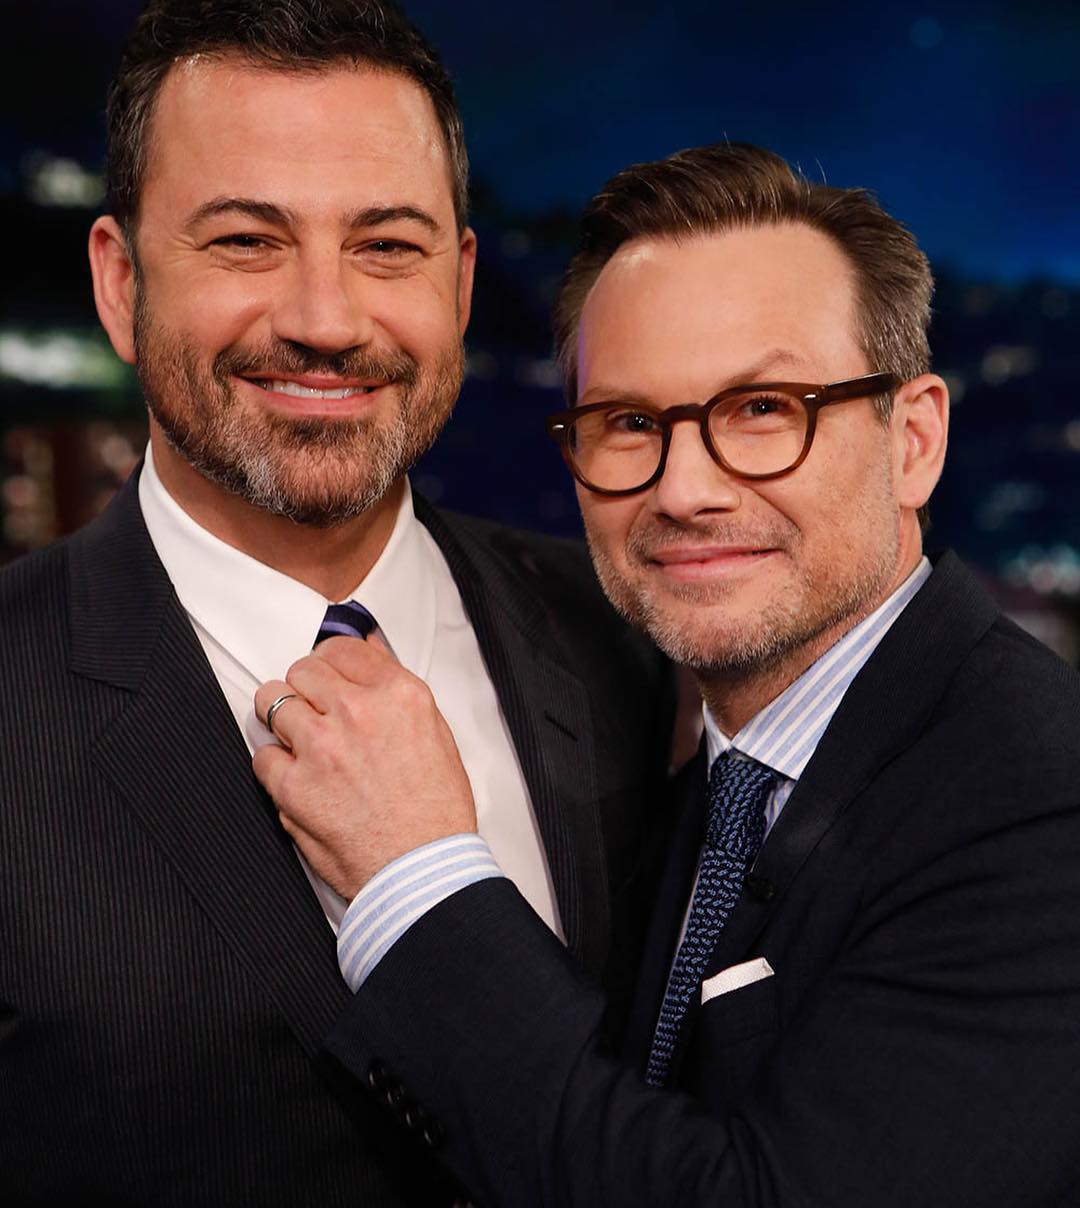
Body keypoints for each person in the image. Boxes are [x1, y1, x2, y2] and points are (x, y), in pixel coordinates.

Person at [256, 144, 1080, 1207]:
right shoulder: (694, 769)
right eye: (631, 423)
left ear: (913, 440)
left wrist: (418, 877)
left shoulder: (1040, 794)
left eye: (765, 408)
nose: (684, 489)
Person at [0, 1, 676, 1202]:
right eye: (246, 240)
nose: (325, 320)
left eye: (387, 246)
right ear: (119, 280)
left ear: (460, 283)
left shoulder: (635, 639)